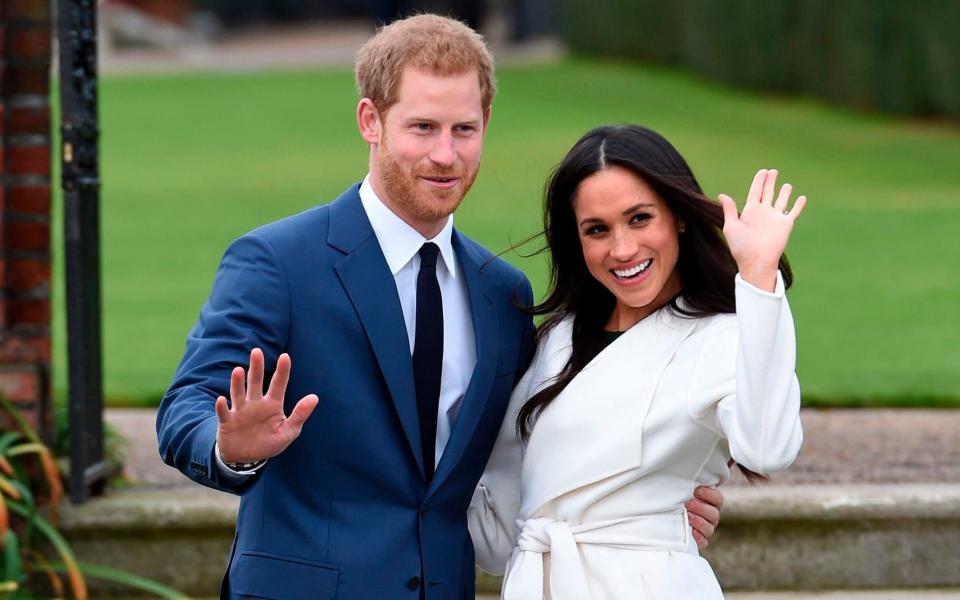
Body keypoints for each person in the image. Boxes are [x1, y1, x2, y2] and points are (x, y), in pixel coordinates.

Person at [156, 16, 723, 600]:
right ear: (370, 121)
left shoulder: (503, 294)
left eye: (464, 129)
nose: (446, 155)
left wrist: (651, 495)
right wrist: (229, 450)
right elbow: (184, 409)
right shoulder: (278, 262)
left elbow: (539, 443)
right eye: (423, 127)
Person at [468, 125, 806, 599]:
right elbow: (500, 530)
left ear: (679, 217)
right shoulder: (556, 341)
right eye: (597, 230)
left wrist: (757, 276)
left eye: (640, 218)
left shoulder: (721, 336)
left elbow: (768, 448)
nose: (622, 249)